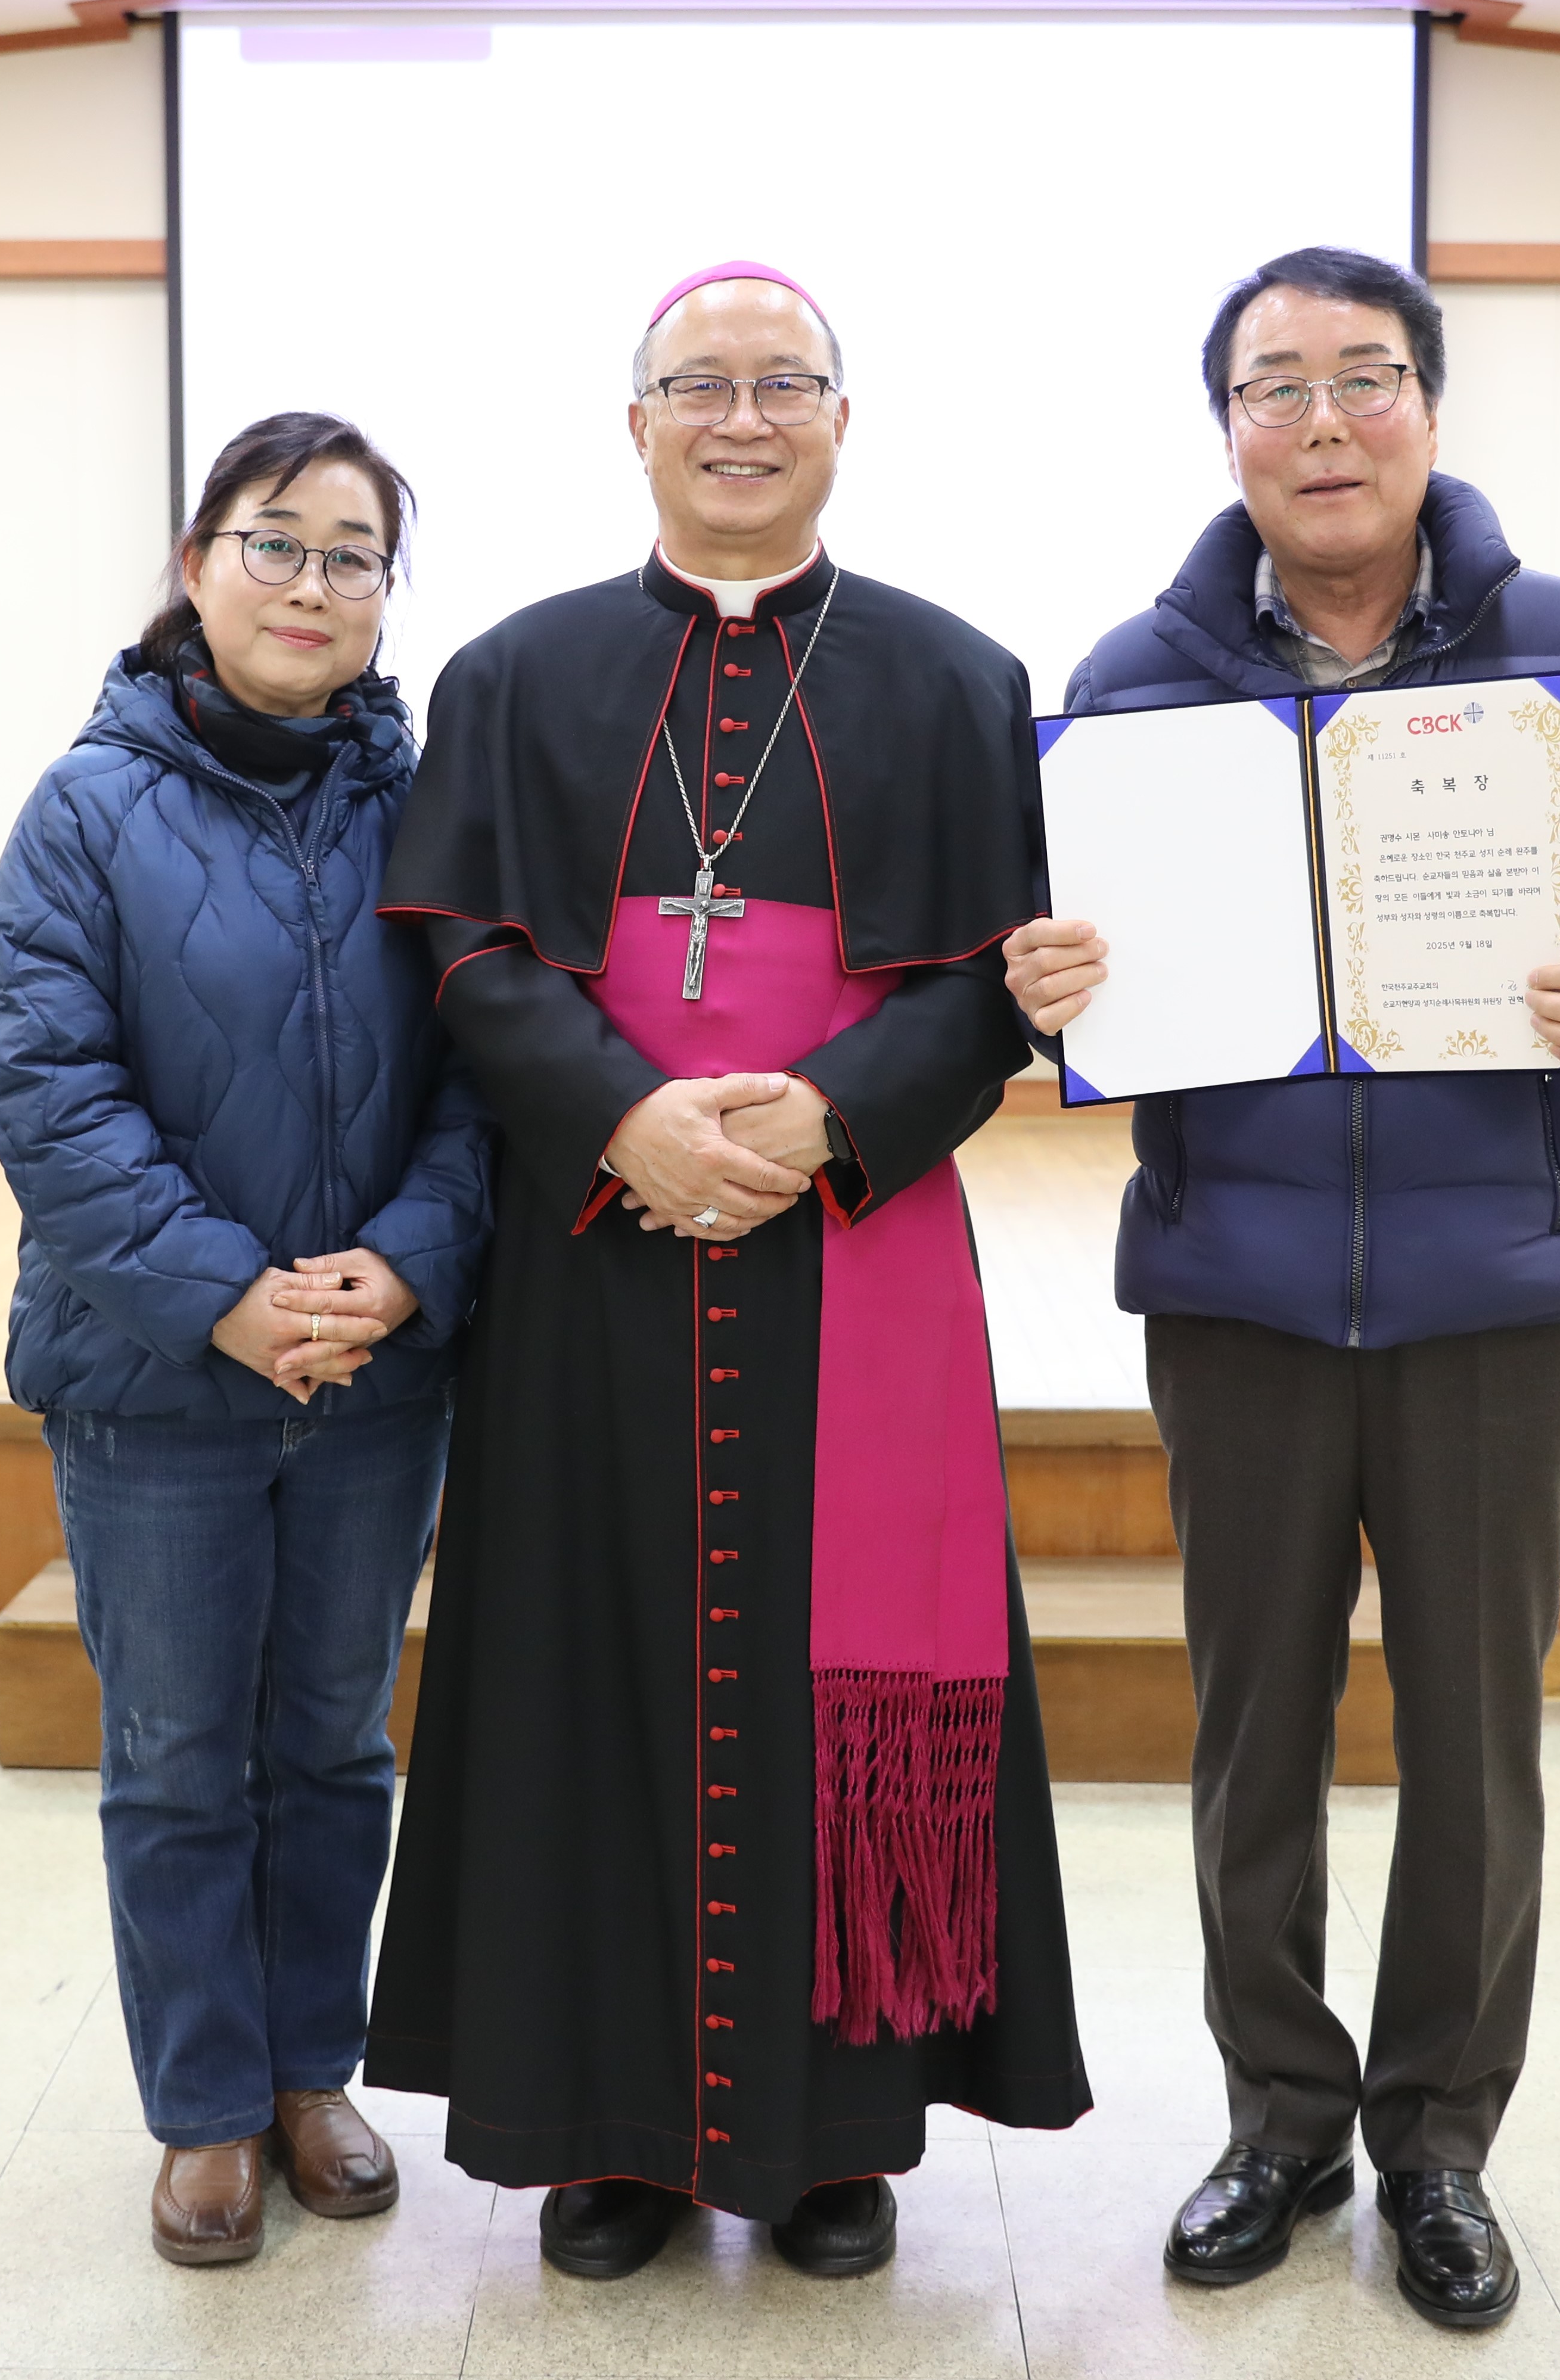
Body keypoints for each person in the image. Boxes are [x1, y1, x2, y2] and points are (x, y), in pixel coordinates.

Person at [1006, 248, 1560, 2330]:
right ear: (1228, 432)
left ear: (1430, 409)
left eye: (1365, 379)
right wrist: (1043, 985)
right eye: (1278, 388)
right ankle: (1280, 2116)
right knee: (1253, 1734)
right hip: (1237, 1286)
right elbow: (1053, 956)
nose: (1324, 421)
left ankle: (1439, 2141)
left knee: (1473, 1732)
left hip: (1500, 1285)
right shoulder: (1139, 677)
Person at [364, 263, 1090, 2281]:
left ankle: (835, 2129)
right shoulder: (514, 678)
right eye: (703, 385)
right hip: (598, 1241)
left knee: (835, 1668)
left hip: (850, 1244)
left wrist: (825, 1122)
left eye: (786, 385)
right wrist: (629, 1121)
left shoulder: (956, 679)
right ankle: (610, 2131)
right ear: (637, 423)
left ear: (844, 420)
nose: (743, 417)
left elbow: (992, 983)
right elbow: (471, 956)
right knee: (587, 1659)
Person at [0, 412, 493, 2271]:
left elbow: (486, 1074)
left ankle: (306, 2069)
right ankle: (204, 2105)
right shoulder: (86, 805)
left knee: (338, 1742)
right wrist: (227, 1294)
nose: (312, 583)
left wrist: (405, 1267)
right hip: (156, 1380)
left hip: (374, 1372)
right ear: (198, 565)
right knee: (184, 1753)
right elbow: (47, 1088)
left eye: (353, 555)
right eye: (277, 542)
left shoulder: (432, 800)